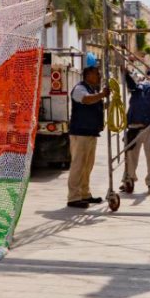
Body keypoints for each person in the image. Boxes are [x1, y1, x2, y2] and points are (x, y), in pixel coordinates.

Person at [67, 65, 113, 208]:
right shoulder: (80, 89)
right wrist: (101, 95)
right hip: (80, 133)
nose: (99, 77)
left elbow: (93, 103)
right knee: (78, 166)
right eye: (96, 74)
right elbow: (86, 100)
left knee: (87, 166)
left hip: (90, 133)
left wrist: (106, 103)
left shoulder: (93, 90)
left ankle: (85, 194)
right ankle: (73, 197)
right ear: (88, 75)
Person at [121, 70, 150, 194]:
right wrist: (126, 74)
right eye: (146, 78)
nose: (147, 80)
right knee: (130, 157)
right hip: (134, 127)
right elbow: (130, 84)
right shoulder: (136, 89)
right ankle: (129, 179)